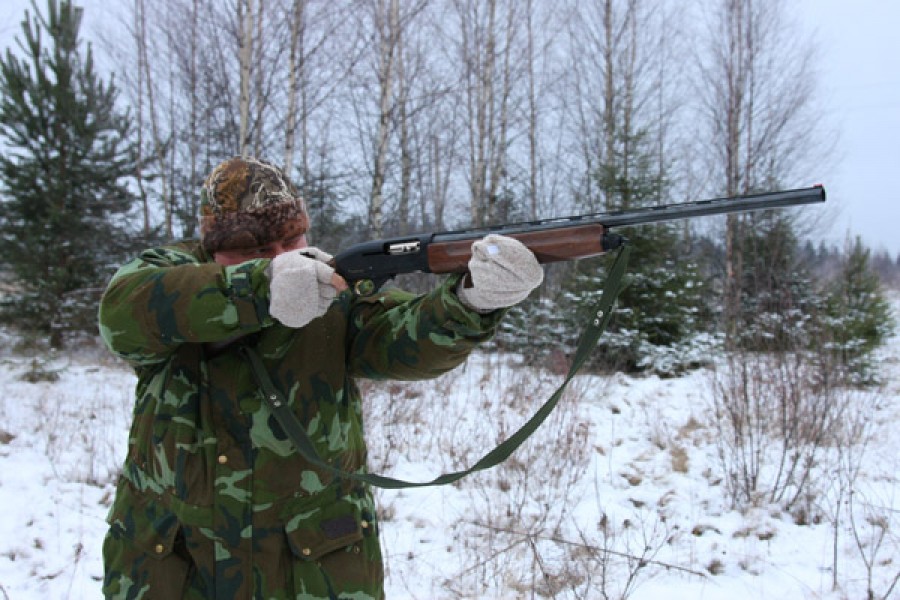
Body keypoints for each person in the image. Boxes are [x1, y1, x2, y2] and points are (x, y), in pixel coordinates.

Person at [98, 156, 543, 599]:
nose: (281, 258)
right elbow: (123, 314)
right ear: (212, 245)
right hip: (175, 565)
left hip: (310, 563)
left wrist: (469, 303)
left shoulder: (327, 287)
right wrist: (259, 288)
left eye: (291, 239)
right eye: (255, 249)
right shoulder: (171, 276)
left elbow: (401, 337)